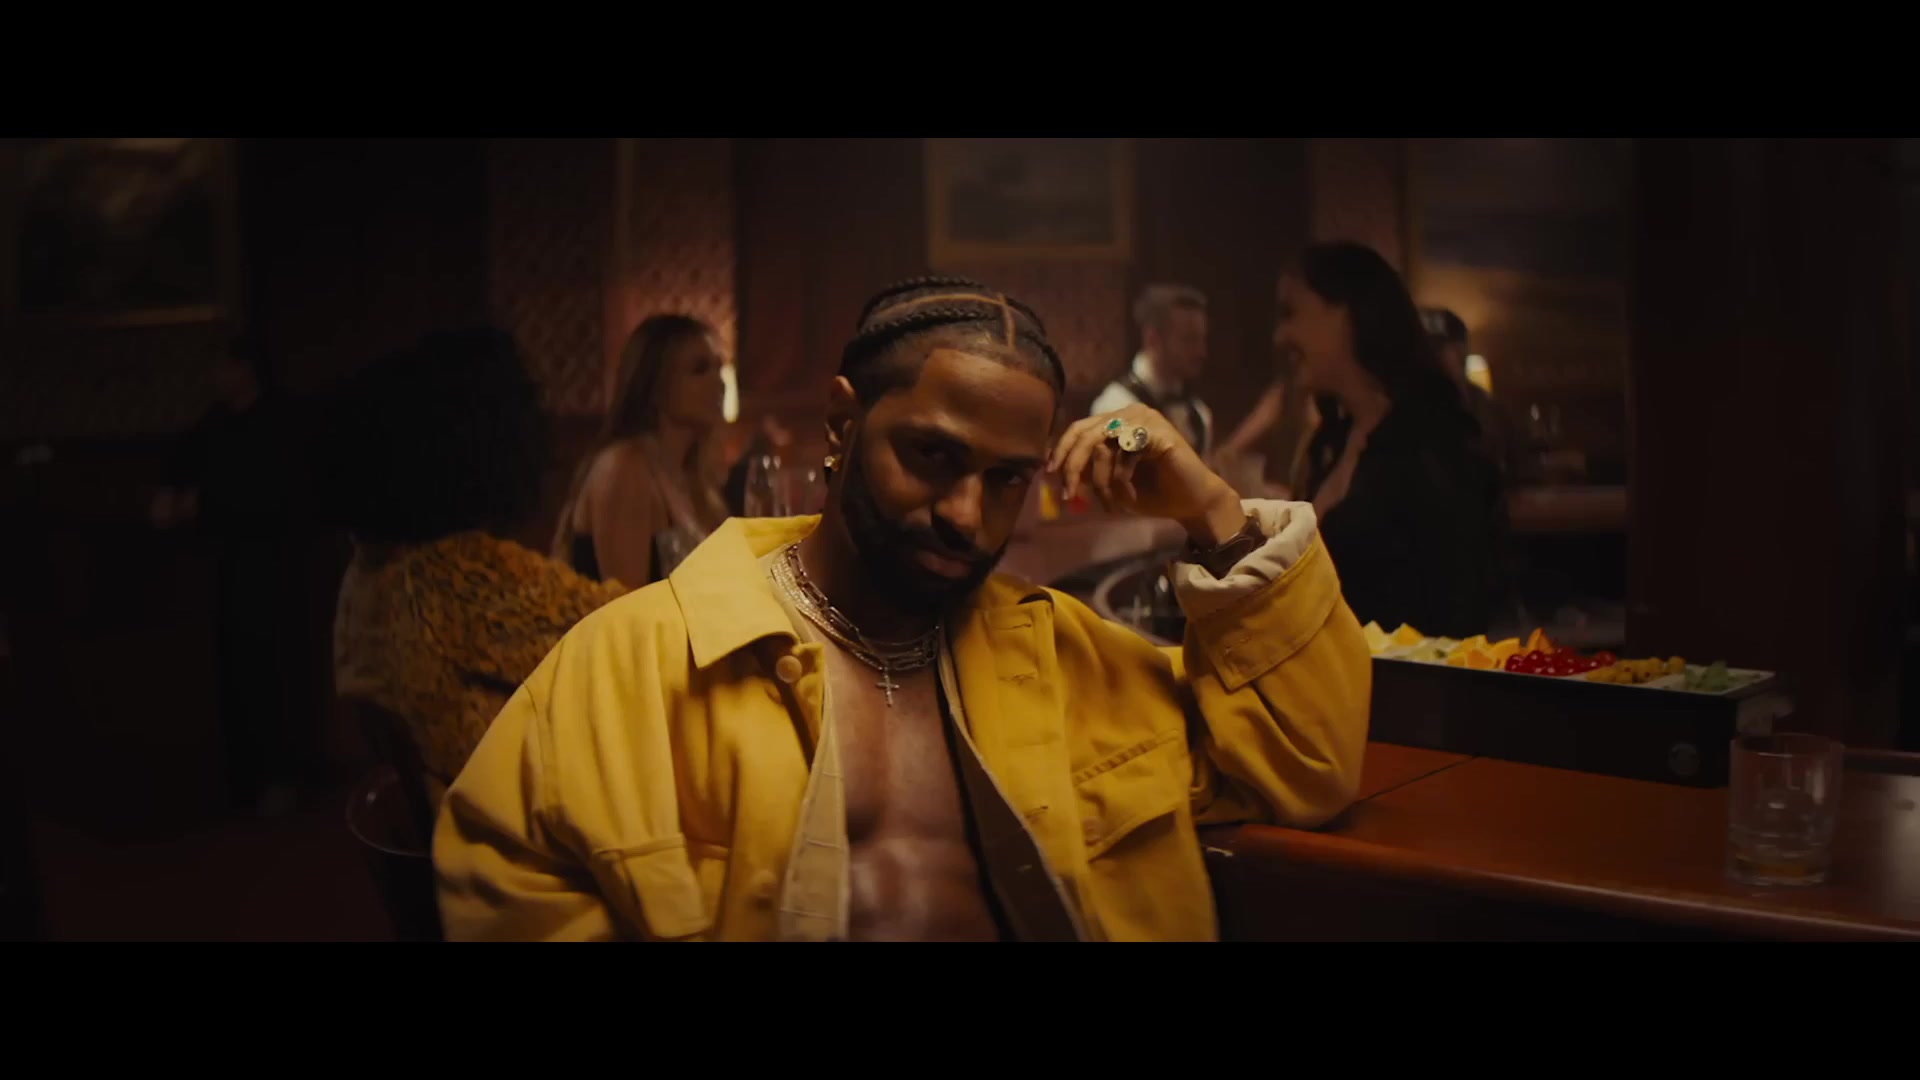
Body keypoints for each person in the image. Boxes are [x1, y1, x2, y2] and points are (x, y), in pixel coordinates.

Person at [435, 274, 1372, 942]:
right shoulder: (635, 664)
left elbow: (1308, 763)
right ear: (843, 423)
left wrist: (1210, 510)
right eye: (931, 456)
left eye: (1006, 480)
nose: (965, 514)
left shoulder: (1070, 665)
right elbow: (505, 888)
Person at [328, 328, 626, 807]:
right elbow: (625, 627)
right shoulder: (451, 576)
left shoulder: (370, 566)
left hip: (465, 813)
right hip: (522, 823)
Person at [1277, 243, 1504, 638]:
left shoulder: (1432, 442)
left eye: (1290, 313)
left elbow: (1458, 610)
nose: (1280, 336)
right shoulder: (1334, 440)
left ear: (1347, 313)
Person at [157, 339, 307, 817]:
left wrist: (202, 504)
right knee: (236, 671)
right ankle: (244, 780)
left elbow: (269, 491)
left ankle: (281, 777)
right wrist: (171, 495)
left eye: (224, 366)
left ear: (246, 370)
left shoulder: (278, 422)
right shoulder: (215, 423)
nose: (215, 376)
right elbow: (182, 459)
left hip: (272, 567)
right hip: (227, 567)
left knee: (271, 671)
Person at [554, 314, 730, 588]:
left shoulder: (691, 477)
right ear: (655, 386)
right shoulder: (624, 467)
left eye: (719, 368)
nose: (719, 383)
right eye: (699, 369)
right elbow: (627, 600)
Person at [1089, 284, 1213, 455]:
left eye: (1201, 339)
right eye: (1188, 340)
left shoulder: (1200, 416)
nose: (1201, 351)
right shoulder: (1113, 409)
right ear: (1152, 339)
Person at [1423, 307, 1521, 484]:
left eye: (1438, 350)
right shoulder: (1408, 408)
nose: (1429, 359)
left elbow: (1515, 471)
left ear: (1461, 354)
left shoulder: (1491, 412)